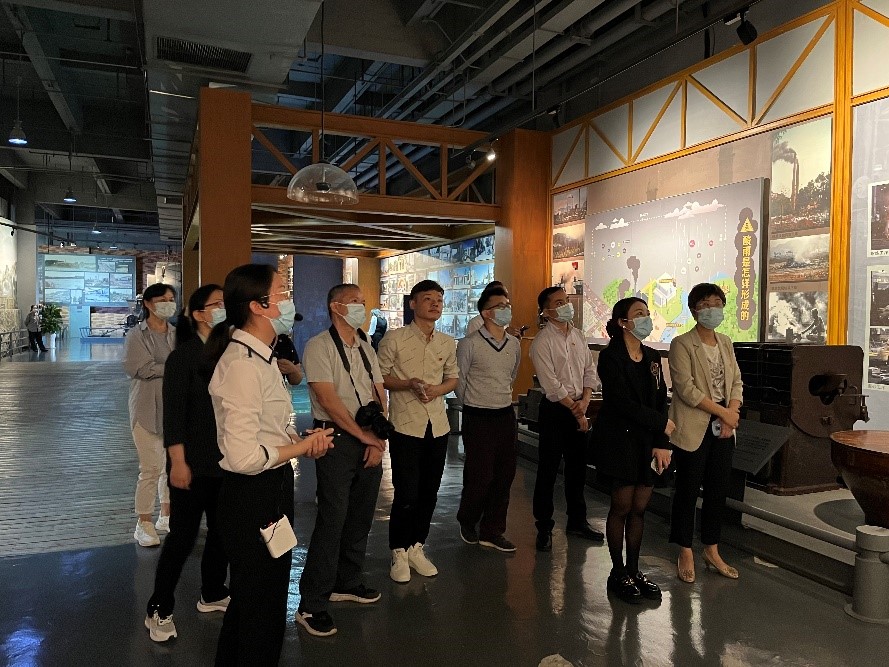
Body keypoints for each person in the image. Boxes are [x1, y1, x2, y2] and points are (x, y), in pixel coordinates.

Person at [206, 264, 333, 664]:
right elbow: (242, 457)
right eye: (281, 293)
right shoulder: (243, 365)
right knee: (260, 610)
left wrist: (297, 441)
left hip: (270, 489)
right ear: (257, 305)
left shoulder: (263, 358)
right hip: (251, 496)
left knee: (258, 602)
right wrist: (299, 449)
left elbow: (268, 427)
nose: (288, 301)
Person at [297, 283, 388, 637]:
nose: (361, 307)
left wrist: (378, 436)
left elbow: (379, 392)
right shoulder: (319, 346)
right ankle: (312, 603)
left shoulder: (365, 346)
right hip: (335, 437)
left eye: (363, 302)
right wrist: (363, 437)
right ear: (336, 307)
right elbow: (328, 400)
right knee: (332, 519)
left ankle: (347, 582)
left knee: (361, 514)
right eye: (354, 302)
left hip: (368, 437)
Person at [144, 284, 230, 642]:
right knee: (182, 537)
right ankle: (159, 608)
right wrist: (177, 462)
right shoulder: (183, 358)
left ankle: (212, 592)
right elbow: (174, 417)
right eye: (217, 304)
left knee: (222, 533)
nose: (224, 309)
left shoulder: (230, 352)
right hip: (192, 463)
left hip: (228, 461)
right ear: (198, 314)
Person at [593, 297, 673, 604]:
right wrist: (661, 424)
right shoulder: (610, 357)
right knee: (622, 506)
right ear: (622, 322)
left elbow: (660, 399)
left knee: (640, 508)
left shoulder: (652, 356)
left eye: (647, 313)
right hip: (620, 441)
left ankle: (634, 569)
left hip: (647, 441)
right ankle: (617, 572)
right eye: (639, 314)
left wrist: (662, 441)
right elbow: (621, 403)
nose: (646, 318)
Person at [378, 279, 459, 583]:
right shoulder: (394, 339)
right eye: (428, 298)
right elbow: (380, 378)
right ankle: (398, 550)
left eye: (439, 299)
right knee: (406, 492)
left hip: (437, 426)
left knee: (429, 491)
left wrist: (438, 389)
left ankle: (417, 547)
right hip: (406, 426)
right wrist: (408, 384)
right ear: (413, 303)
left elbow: (453, 378)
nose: (435, 304)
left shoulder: (446, 342)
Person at [669, 283, 743, 583]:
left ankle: (711, 549)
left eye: (717, 303)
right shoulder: (681, 343)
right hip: (694, 426)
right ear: (694, 310)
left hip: (724, 427)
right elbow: (686, 389)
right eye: (706, 304)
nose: (713, 309)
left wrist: (731, 413)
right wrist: (723, 413)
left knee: (717, 490)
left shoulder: (725, 342)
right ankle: (685, 549)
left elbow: (736, 381)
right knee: (687, 490)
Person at [530, 286, 604, 552]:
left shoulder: (578, 335)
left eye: (566, 301)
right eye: (559, 302)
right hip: (556, 410)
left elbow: (589, 370)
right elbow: (551, 384)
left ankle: (577, 521)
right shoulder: (542, 342)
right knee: (548, 470)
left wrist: (585, 401)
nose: (566, 306)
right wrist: (577, 409)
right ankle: (544, 527)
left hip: (579, 405)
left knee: (577, 469)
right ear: (546, 311)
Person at [456, 285, 520, 552]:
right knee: (479, 475)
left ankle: (492, 530)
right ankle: (468, 520)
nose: (506, 310)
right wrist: (473, 403)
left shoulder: (514, 343)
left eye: (508, 305)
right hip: (478, 415)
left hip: (505, 414)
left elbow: (512, 376)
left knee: (504, 475)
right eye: (500, 306)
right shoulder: (469, 343)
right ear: (486, 313)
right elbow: (459, 381)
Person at [123, 282, 176, 547]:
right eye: (162, 299)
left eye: (171, 299)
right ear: (147, 303)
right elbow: (140, 369)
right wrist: (174, 367)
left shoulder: (177, 334)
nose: (168, 304)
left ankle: (166, 514)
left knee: (170, 465)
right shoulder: (137, 335)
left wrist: (164, 367)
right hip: (145, 409)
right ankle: (143, 522)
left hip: (173, 407)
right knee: (150, 468)